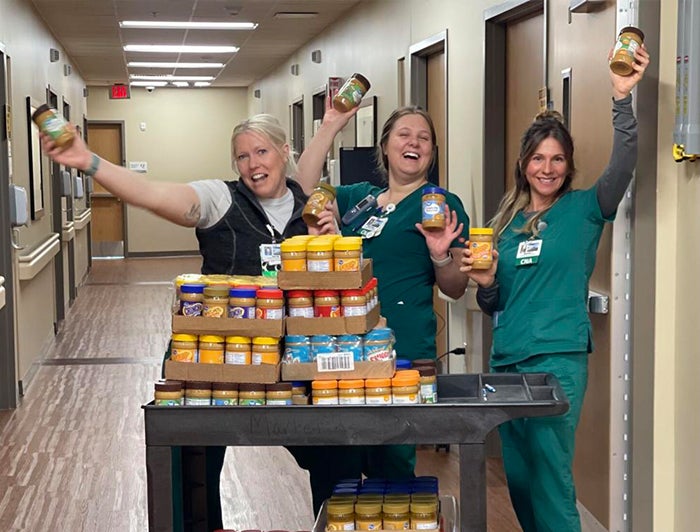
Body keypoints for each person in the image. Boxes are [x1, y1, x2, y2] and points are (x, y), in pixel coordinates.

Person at [41, 114, 315, 530]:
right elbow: (151, 194)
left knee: (333, 448)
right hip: (215, 353)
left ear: (283, 152)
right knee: (194, 466)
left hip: (294, 354)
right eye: (241, 156)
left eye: (261, 151)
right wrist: (89, 161)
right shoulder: (219, 199)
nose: (252, 164)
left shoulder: (313, 208)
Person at [459, 45, 650, 532]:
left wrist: (621, 99)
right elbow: (494, 301)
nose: (548, 168)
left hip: (557, 358)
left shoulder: (587, 208)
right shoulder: (504, 224)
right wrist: (483, 285)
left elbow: (624, 163)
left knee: (550, 475)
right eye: (538, 158)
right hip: (508, 359)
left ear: (568, 164)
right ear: (523, 163)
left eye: (558, 159)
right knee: (518, 477)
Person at [294, 103, 471, 511]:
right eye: (404, 134)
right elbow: (302, 186)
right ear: (385, 147)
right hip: (341, 350)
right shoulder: (360, 199)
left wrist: (441, 256)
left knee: (390, 467)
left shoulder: (439, 204)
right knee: (334, 466)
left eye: (423, 138)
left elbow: (456, 289)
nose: (414, 143)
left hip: (401, 354)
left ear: (432, 152)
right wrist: (331, 127)